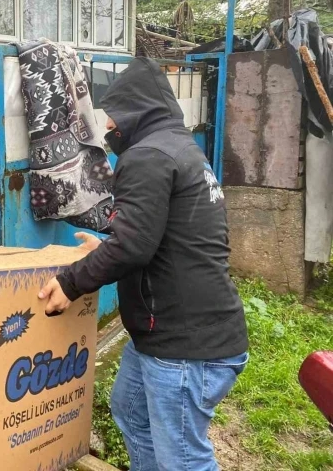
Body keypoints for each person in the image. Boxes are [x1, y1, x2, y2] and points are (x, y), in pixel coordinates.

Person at [39, 57, 249, 470]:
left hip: (184, 343)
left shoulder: (148, 155)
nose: (110, 127)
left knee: (183, 459)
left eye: (114, 117)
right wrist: (101, 250)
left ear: (136, 110)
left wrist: (71, 281)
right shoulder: (180, 148)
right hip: (173, 332)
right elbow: (158, 236)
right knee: (132, 411)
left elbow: (134, 246)